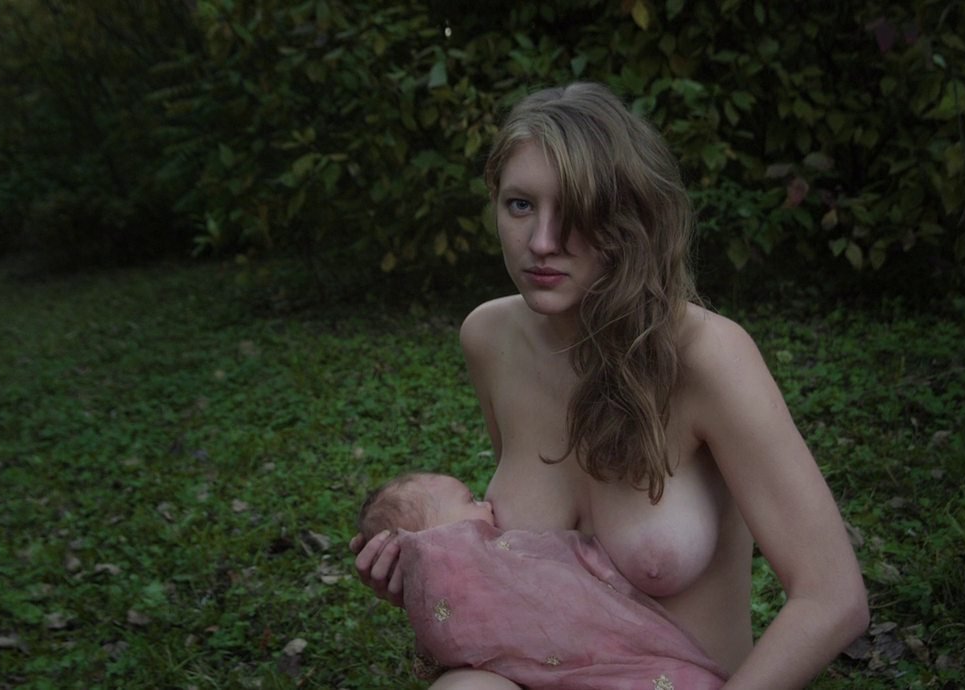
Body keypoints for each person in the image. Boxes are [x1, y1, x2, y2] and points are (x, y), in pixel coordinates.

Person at [352, 82, 868, 689]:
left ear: (628, 218)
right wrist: (432, 576)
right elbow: (527, 571)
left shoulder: (707, 356)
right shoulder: (489, 338)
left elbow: (832, 598)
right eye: (520, 205)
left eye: (578, 210)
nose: (542, 242)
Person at [357, 471, 727, 689]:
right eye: (470, 500)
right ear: (432, 540)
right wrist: (420, 584)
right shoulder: (456, 565)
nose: (487, 505)